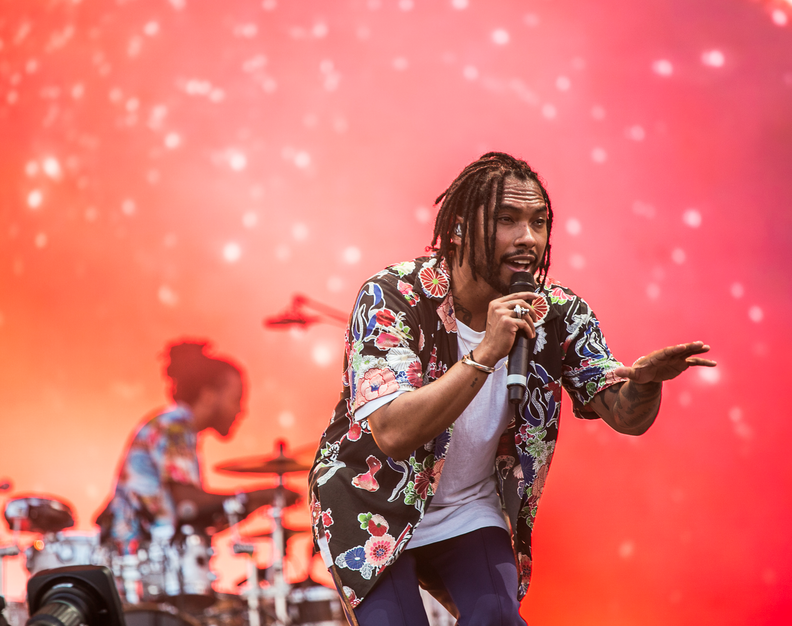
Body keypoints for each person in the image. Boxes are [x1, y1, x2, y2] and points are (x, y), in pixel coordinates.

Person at [307, 152, 715, 626]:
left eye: (539, 222)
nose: (528, 238)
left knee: (498, 618)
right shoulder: (394, 295)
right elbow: (393, 432)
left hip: (467, 506)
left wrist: (645, 385)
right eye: (507, 220)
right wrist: (485, 354)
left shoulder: (557, 313)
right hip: (371, 501)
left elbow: (626, 415)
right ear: (458, 228)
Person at [97, 341, 278, 556]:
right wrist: (258, 497)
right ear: (209, 395)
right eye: (236, 399)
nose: (241, 410)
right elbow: (189, 506)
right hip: (134, 561)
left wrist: (256, 501)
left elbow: (194, 515)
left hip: (142, 559)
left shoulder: (179, 429)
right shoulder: (175, 428)